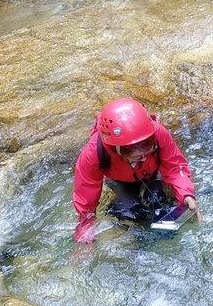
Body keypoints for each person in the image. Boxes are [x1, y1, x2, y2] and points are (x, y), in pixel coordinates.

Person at [73, 98, 201, 243]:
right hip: (120, 180)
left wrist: (186, 194)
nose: (143, 159)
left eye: (147, 153)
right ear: (117, 149)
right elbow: (85, 196)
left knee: (157, 199)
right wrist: (85, 232)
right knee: (128, 213)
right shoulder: (93, 154)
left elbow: (175, 167)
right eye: (136, 157)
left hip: (153, 174)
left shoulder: (158, 133)